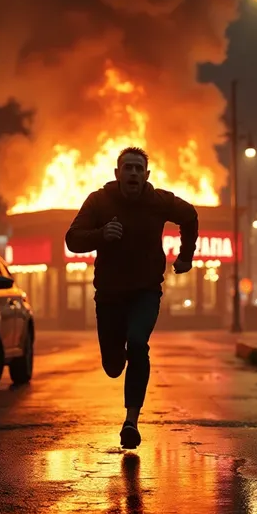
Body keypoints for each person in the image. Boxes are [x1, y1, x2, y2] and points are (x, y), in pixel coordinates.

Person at [65, 147, 198, 449]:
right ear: (118, 174)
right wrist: (101, 234)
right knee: (113, 366)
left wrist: (186, 256)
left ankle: (131, 422)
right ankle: (116, 358)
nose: (134, 174)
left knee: (138, 344)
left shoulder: (158, 201)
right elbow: (72, 239)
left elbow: (190, 216)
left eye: (139, 169)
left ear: (146, 175)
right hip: (109, 296)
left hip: (145, 292)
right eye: (128, 168)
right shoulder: (99, 200)